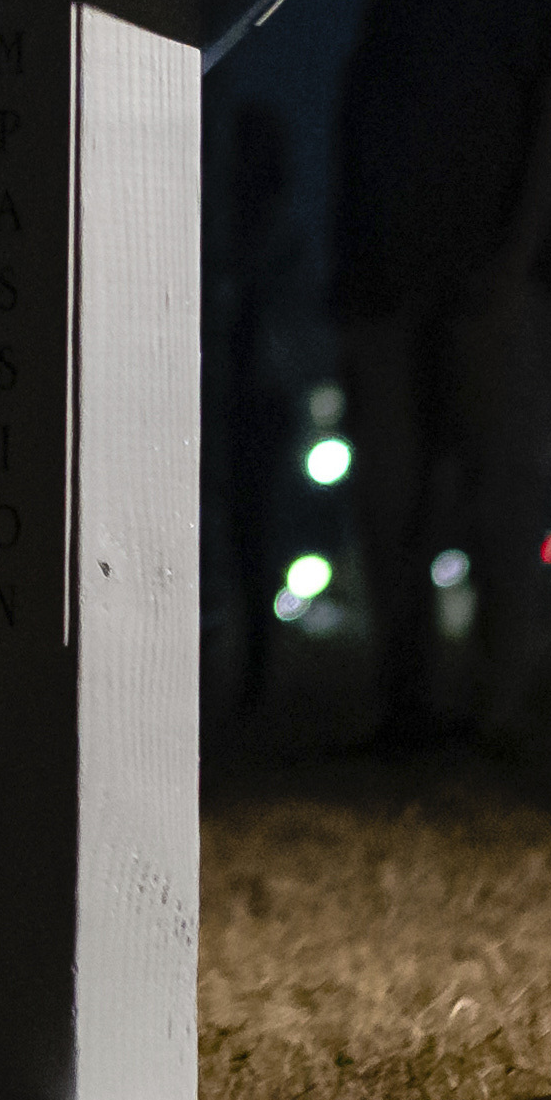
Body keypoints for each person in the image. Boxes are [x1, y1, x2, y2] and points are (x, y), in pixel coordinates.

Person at [329, 0, 551, 752]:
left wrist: (517, 258)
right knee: (403, 498)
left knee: (488, 496)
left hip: (474, 285)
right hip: (402, 287)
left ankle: (486, 703)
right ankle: (424, 700)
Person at [202, 94, 313, 718]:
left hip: (244, 396)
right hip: (257, 397)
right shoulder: (278, 238)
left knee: (241, 534)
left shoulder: (242, 237)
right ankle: (249, 671)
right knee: (249, 536)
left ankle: (246, 672)